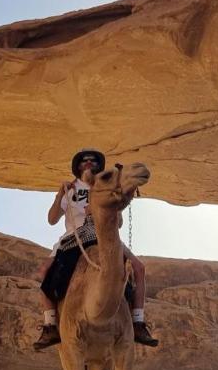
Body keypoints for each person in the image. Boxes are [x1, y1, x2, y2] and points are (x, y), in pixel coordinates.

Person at [32, 148, 158, 350]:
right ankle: (50, 325)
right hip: (74, 237)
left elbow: (119, 223)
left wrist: (105, 208)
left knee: (139, 268)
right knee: (43, 273)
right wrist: (59, 196)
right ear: (78, 166)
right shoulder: (71, 189)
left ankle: (138, 322)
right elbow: (52, 219)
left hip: (103, 235)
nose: (88, 163)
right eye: (84, 161)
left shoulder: (106, 184)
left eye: (92, 161)